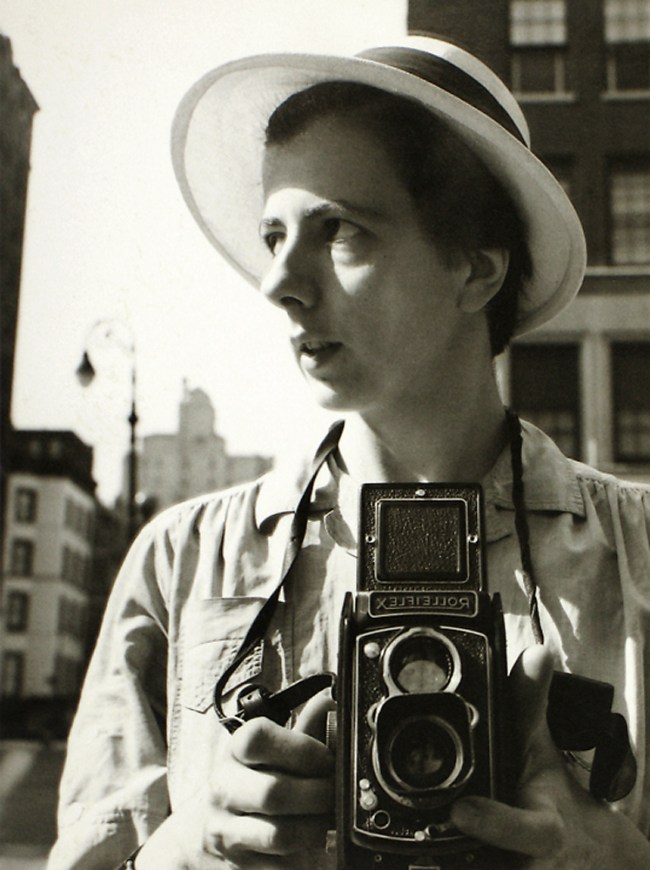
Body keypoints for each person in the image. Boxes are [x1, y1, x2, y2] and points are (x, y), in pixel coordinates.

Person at [48, 34, 650, 869]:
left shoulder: (638, 551)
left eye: (337, 230)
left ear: (475, 269)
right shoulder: (182, 562)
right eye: (273, 236)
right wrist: (189, 847)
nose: (279, 282)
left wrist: (610, 853)